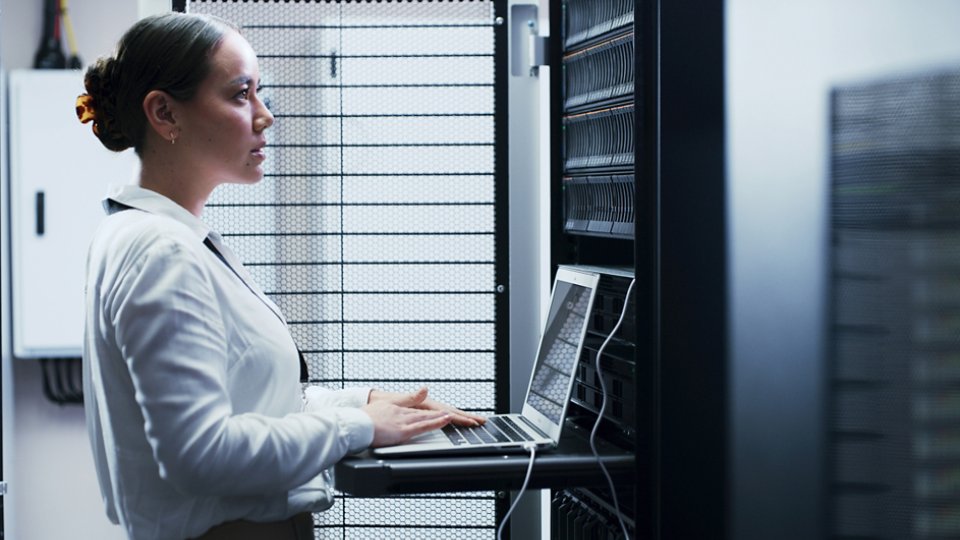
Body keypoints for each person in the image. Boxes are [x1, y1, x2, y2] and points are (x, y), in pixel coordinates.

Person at [77, 12, 485, 540]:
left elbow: (256, 404)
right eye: (240, 94)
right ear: (164, 113)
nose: (264, 116)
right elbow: (201, 454)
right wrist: (357, 427)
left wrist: (368, 405)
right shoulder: (160, 250)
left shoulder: (170, 238)